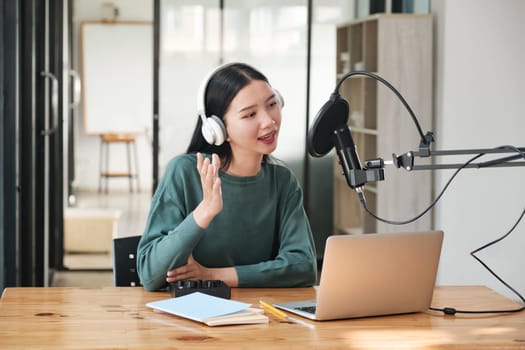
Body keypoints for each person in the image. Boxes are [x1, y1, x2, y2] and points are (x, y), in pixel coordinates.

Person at [136, 62, 317, 291]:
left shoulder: (283, 182)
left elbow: (303, 266)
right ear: (217, 129)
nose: (269, 121)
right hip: (190, 319)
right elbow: (150, 275)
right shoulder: (183, 172)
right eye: (250, 114)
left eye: (272, 104)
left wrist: (212, 275)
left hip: (260, 317)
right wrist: (205, 211)